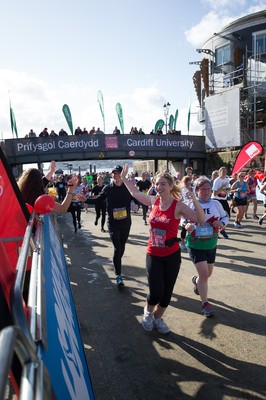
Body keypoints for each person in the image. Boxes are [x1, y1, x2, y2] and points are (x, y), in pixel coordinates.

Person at [120, 164, 205, 334]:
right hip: (154, 253)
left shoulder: (178, 206)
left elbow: (199, 218)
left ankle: (158, 319)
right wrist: (124, 179)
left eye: (163, 184)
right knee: (156, 291)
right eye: (157, 184)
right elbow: (135, 193)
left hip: (172, 254)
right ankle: (148, 313)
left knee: (167, 294)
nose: (159, 187)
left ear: (171, 185)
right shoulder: (154, 201)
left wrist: (194, 198)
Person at [80, 165, 137, 288]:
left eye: (118, 173)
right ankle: (118, 275)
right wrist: (86, 199)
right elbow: (98, 200)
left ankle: (117, 262)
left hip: (126, 223)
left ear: (122, 174)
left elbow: (137, 197)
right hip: (113, 223)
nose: (115, 175)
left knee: (121, 247)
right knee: (117, 248)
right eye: (114, 173)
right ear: (111, 175)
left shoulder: (128, 188)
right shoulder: (108, 188)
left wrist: (137, 204)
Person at [185, 176, 229, 318]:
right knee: (204, 275)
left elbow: (225, 217)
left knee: (207, 275)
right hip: (195, 244)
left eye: (208, 189)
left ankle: (196, 282)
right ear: (196, 190)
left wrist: (221, 224)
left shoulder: (216, 204)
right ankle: (205, 304)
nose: (206, 191)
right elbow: (182, 219)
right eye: (203, 189)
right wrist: (187, 225)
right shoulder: (191, 204)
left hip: (211, 244)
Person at [211, 166, 230, 238]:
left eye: (225, 171)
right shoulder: (217, 180)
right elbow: (215, 193)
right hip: (216, 200)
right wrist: (222, 187)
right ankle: (216, 232)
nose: (224, 173)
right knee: (217, 217)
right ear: (219, 173)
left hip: (224, 199)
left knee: (227, 216)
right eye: (222, 171)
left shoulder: (227, 180)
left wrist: (227, 189)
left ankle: (222, 230)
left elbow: (227, 190)